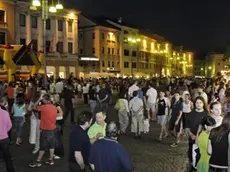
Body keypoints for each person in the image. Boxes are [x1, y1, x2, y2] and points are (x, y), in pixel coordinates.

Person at [29, 94, 58, 167]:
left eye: (42, 100)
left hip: (46, 129)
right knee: (52, 145)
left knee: (42, 146)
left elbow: (33, 107)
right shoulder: (54, 107)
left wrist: (39, 99)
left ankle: (38, 161)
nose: (42, 101)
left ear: (45, 100)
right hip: (53, 128)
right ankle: (51, 160)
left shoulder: (44, 107)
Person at [186, 96, 209, 172]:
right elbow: (187, 127)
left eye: (200, 103)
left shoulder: (207, 115)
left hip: (203, 142)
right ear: (194, 103)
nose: (199, 104)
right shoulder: (190, 114)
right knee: (192, 158)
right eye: (197, 103)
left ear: (203, 104)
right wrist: (191, 134)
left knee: (201, 159)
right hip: (192, 141)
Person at [0, 96, 15, 172]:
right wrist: (4, 131)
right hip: (4, 138)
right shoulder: (5, 113)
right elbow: (10, 126)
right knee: (8, 157)